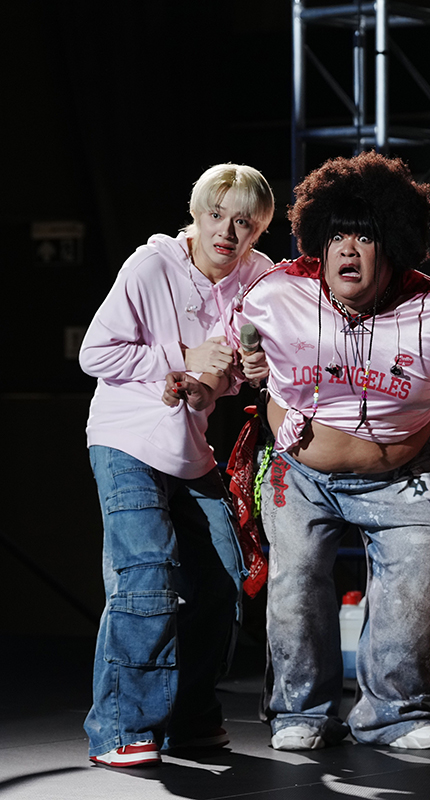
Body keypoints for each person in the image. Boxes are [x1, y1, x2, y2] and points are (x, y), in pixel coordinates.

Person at [228, 151, 430, 752]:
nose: (348, 250)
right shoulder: (276, 294)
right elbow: (228, 348)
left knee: (408, 598)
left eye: (365, 237)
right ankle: (301, 712)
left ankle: (393, 714)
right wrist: (236, 365)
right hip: (302, 474)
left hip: (408, 478)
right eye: (336, 236)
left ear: (393, 246)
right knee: (296, 589)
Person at [79, 164, 275, 767]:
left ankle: (187, 719)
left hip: (188, 444)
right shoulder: (151, 266)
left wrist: (238, 375)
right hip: (125, 436)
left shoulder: (259, 277)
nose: (227, 233)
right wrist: (179, 356)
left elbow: (232, 371)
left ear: (258, 230)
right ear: (196, 214)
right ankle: (121, 728)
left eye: (244, 222)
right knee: (147, 573)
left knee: (222, 579)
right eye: (217, 215)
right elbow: (96, 353)